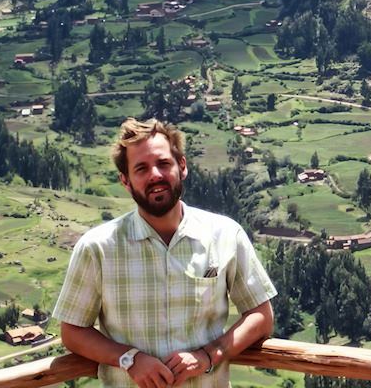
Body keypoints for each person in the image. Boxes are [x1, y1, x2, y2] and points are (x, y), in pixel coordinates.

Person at [55, 118, 276, 387]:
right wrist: (129, 359)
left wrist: (207, 356)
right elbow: (72, 331)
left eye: (163, 163)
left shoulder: (225, 234)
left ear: (182, 167)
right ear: (125, 181)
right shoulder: (98, 247)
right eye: (141, 168)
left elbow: (261, 316)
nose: (155, 175)